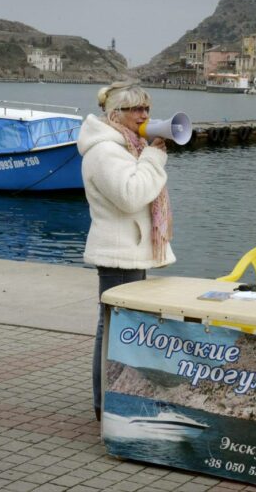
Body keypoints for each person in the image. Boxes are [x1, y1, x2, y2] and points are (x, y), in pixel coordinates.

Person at [77, 80, 176, 422]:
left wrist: (149, 154)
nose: (144, 115)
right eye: (137, 109)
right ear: (116, 114)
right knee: (111, 331)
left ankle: (112, 401)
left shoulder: (126, 146)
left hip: (130, 250)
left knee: (118, 330)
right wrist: (154, 156)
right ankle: (104, 405)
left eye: (147, 108)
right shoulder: (105, 151)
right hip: (118, 254)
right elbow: (132, 194)